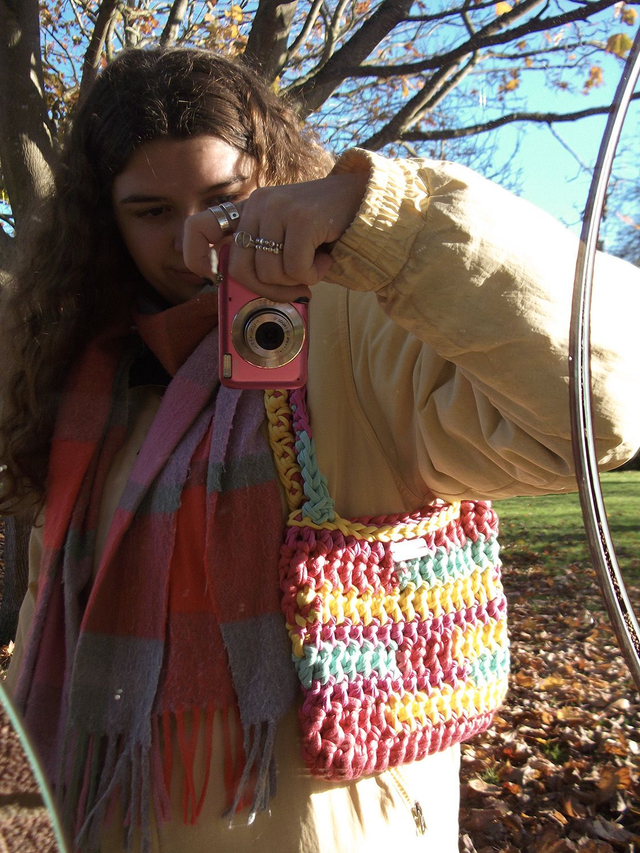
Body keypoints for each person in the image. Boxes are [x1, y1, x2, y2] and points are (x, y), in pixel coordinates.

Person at [0, 46, 638, 853]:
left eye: (225, 199)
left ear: (275, 182)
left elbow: (600, 404)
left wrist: (392, 226)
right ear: (106, 220)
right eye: (152, 212)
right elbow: (45, 619)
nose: (195, 241)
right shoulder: (86, 382)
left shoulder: (360, 329)